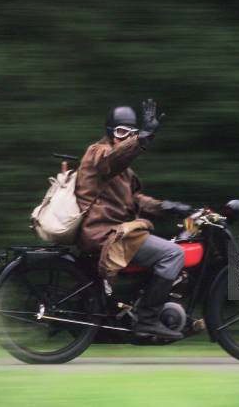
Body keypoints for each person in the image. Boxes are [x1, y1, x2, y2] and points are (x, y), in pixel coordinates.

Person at [74, 99, 192, 339]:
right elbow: (113, 160)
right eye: (120, 132)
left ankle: (141, 307)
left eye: (131, 133)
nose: (126, 137)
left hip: (116, 231)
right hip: (104, 233)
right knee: (173, 254)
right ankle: (147, 319)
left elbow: (135, 200)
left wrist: (169, 207)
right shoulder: (98, 154)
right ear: (109, 133)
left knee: (170, 247)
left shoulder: (123, 170)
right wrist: (143, 138)